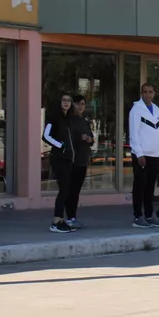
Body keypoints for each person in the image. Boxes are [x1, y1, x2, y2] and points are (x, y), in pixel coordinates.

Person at [128, 83, 159, 228]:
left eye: (150, 92)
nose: (148, 94)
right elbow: (134, 133)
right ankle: (138, 217)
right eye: (145, 92)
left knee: (150, 188)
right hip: (142, 155)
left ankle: (149, 215)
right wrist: (139, 153)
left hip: (155, 154)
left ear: (154, 93)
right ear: (141, 93)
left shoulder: (156, 109)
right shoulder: (136, 110)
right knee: (139, 187)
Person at [43, 93, 76, 233]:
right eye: (64, 100)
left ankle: (61, 220)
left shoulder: (68, 119)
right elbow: (45, 136)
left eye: (69, 100)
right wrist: (60, 146)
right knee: (63, 189)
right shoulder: (54, 117)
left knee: (67, 189)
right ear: (59, 102)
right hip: (58, 158)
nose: (66, 103)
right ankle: (55, 221)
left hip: (68, 159)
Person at [65, 94, 95, 229]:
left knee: (76, 190)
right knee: (70, 190)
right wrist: (79, 137)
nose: (80, 106)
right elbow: (68, 138)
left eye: (82, 104)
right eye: (78, 104)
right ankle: (68, 217)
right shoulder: (69, 121)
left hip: (83, 160)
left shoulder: (85, 121)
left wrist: (89, 139)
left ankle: (73, 217)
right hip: (72, 160)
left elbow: (92, 138)